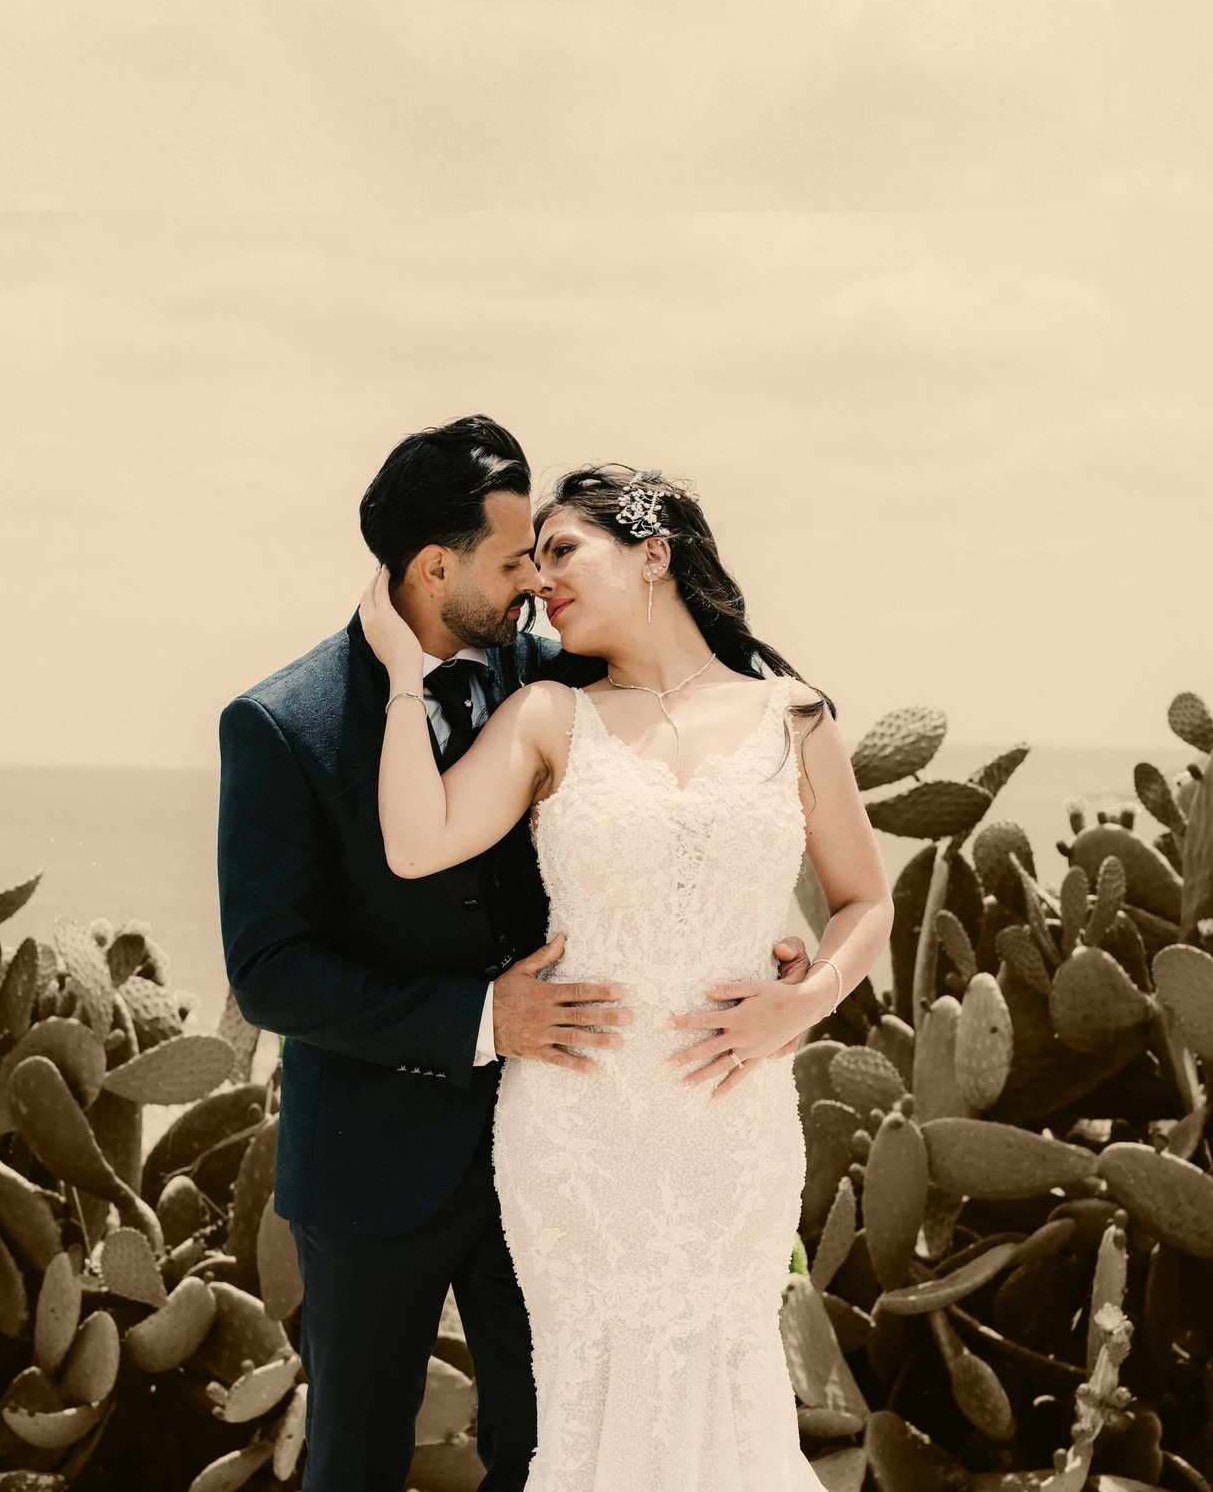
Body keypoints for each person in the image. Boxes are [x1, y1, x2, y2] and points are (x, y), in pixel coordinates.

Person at [215, 419, 816, 1492]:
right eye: (512, 560)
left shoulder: (556, 676)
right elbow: (269, 971)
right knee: (352, 1465)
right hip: (375, 1165)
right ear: (436, 567)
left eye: (548, 555)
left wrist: (777, 937)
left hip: (572, 1150)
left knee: (550, 1455)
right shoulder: (282, 724)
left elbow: (696, 803)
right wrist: (482, 1020)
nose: (538, 581)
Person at [359, 460, 894, 1491]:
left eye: (563, 551)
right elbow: (415, 842)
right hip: (579, 1129)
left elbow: (864, 902)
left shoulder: (794, 718)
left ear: (653, 554)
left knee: (729, 1390)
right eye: (533, 559)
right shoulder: (550, 719)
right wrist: (400, 674)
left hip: (732, 1125)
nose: (539, 581)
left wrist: (801, 1002)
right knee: (594, 1406)